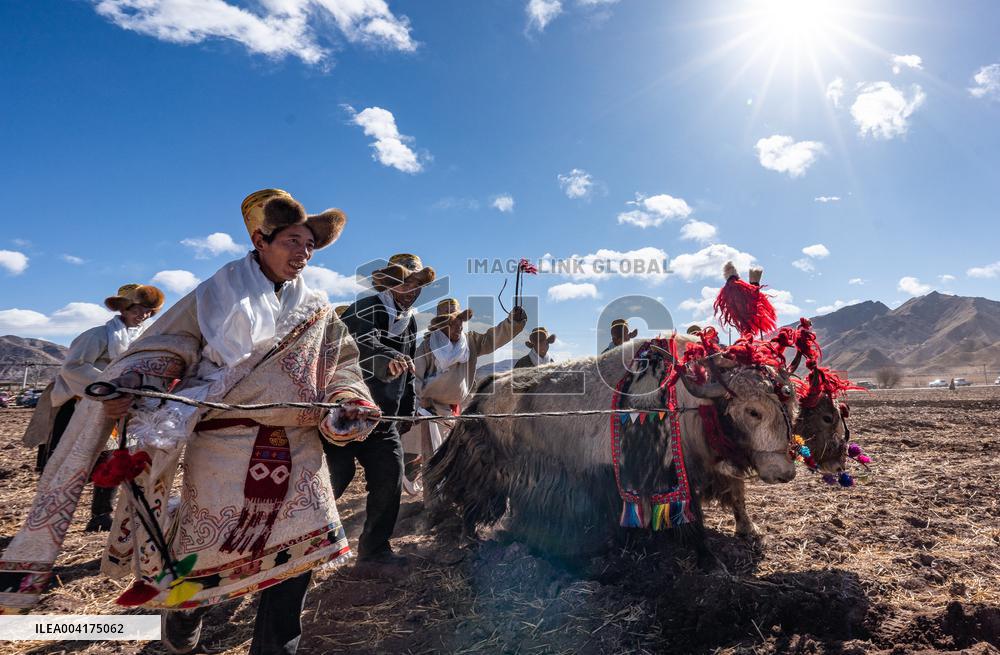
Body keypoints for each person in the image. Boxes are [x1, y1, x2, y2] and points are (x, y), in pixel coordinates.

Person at [0, 189, 381, 655]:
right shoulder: (215, 295)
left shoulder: (320, 309)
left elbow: (342, 361)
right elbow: (167, 346)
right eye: (292, 241)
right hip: (226, 447)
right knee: (211, 555)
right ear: (261, 240)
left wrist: (348, 396)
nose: (302, 253)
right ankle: (185, 609)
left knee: (299, 561)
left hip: (301, 446)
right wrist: (135, 381)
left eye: (309, 245)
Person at [23, 283, 164, 532]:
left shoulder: (146, 339)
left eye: (147, 310)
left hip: (119, 407)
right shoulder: (97, 335)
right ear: (124, 308)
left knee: (112, 459)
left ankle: (101, 515)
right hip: (81, 404)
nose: (142, 314)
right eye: (137, 308)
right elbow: (73, 367)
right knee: (68, 461)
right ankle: (45, 520)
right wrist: (111, 386)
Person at [324, 253, 435, 566]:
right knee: (336, 477)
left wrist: (408, 408)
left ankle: (374, 550)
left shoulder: (410, 320)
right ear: (390, 283)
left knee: (390, 476)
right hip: (347, 412)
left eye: (417, 284)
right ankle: (306, 543)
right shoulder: (367, 307)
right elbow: (359, 342)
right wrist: (388, 356)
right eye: (405, 282)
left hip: (384, 416)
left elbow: (410, 367)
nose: (411, 289)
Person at [408, 299, 527, 501]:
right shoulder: (427, 347)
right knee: (432, 456)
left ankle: (448, 496)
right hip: (429, 411)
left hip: (454, 410)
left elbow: (494, 338)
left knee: (454, 456)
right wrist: (422, 402)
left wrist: (513, 322)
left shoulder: (470, 342)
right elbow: (414, 379)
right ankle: (431, 501)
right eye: (452, 322)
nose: (457, 326)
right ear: (439, 325)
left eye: (460, 321)